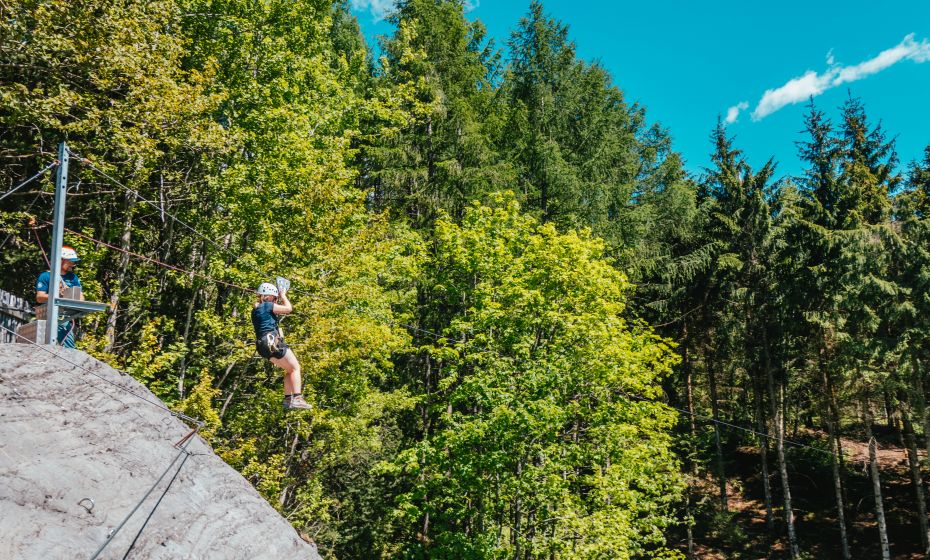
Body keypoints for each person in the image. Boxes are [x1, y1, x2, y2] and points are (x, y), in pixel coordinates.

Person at [251, 282, 311, 410]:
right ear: (269, 296)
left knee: (290, 370)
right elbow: (288, 309)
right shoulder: (267, 305)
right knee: (296, 368)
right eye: (275, 298)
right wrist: (283, 295)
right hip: (272, 342)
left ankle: (288, 399)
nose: (276, 301)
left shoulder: (255, 310)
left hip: (263, 347)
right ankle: (298, 398)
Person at [35, 245, 82, 348]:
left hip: (67, 316)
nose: (73, 264)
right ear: (61, 260)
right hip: (49, 314)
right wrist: (57, 295)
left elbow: (81, 298)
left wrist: (69, 294)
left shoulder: (73, 278)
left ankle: (68, 353)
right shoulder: (46, 276)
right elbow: (39, 297)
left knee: (66, 332)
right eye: (70, 261)